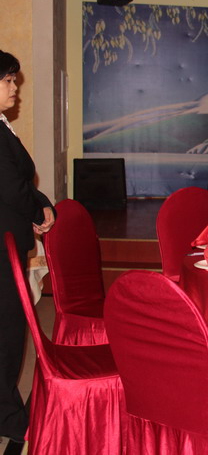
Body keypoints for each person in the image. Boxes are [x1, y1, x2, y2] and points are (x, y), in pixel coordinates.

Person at [0, 50, 55, 445]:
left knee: (10, 331)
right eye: (7, 81)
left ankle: (8, 410)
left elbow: (20, 181)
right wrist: (39, 206)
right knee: (6, 333)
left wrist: (43, 203)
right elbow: (9, 186)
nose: (15, 88)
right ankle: (8, 416)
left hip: (9, 241)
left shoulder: (2, 125)